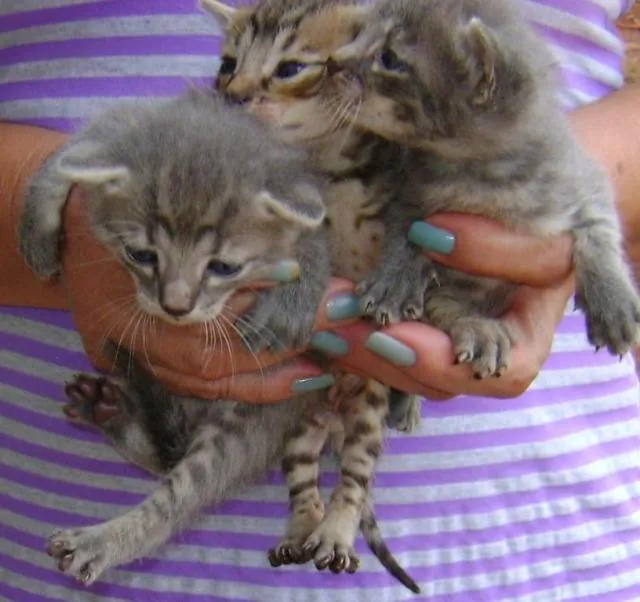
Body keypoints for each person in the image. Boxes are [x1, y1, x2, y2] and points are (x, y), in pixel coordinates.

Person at [1, 0, 640, 599]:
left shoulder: (399, 120)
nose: (242, 94)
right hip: (53, 512)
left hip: (543, 532)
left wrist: (542, 199)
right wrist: (69, 214)